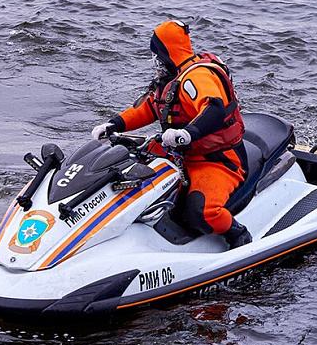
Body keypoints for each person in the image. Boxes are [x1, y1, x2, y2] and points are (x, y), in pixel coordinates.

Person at [90, 20, 253, 250]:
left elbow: (214, 109)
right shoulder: (170, 81)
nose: (155, 61)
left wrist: (187, 133)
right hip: (181, 154)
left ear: (166, 52)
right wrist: (113, 124)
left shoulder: (198, 77)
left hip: (218, 161)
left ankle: (238, 234)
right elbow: (146, 109)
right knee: (122, 169)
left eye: (156, 55)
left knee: (202, 212)